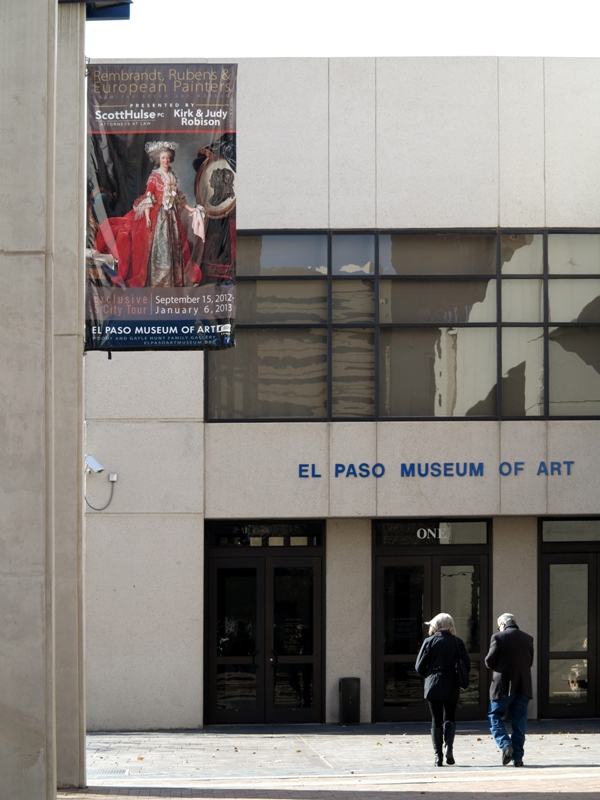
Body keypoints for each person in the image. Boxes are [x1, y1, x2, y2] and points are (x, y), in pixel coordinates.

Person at [95, 141, 203, 287]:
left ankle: (173, 278)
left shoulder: (172, 176)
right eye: (163, 158)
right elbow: (148, 198)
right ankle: (159, 279)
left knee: (175, 246)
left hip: (172, 217)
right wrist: (147, 218)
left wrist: (191, 210)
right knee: (160, 246)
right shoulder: (155, 177)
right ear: (158, 159)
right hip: (158, 216)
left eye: (168, 157)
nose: (166, 160)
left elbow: (178, 199)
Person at [415, 613, 470, 767]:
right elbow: (467, 664)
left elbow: (419, 666)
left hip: (433, 683)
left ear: (436, 625)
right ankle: (449, 749)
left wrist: (429, 675)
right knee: (450, 716)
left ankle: (438, 756)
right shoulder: (457, 642)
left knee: (436, 719)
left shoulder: (429, 641)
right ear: (450, 625)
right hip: (451, 681)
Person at [485, 613, 534, 767]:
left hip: (503, 686)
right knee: (519, 722)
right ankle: (518, 758)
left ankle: (505, 744)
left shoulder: (498, 637)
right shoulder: (528, 638)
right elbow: (530, 662)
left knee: (494, 716)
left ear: (502, 624)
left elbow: (489, 661)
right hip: (523, 685)